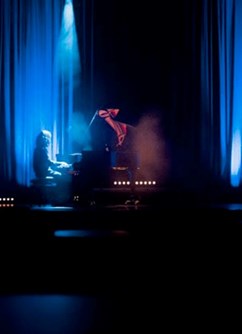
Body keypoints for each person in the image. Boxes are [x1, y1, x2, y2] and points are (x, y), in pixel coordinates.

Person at [97, 108, 140, 204]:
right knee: (130, 174)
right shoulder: (113, 122)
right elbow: (121, 134)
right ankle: (132, 195)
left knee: (131, 174)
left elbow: (121, 133)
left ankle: (133, 195)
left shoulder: (118, 123)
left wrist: (120, 143)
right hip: (129, 148)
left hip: (131, 150)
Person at [33, 129, 72, 204]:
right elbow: (49, 162)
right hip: (43, 173)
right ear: (45, 139)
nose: (49, 141)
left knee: (60, 174)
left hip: (41, 172)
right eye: (49, 139)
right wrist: (61, 163)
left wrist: (59, 165)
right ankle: (58, 198)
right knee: (61, 176)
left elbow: (46, 163)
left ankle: (56, 197)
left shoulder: (38, 149)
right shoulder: (42, 150)